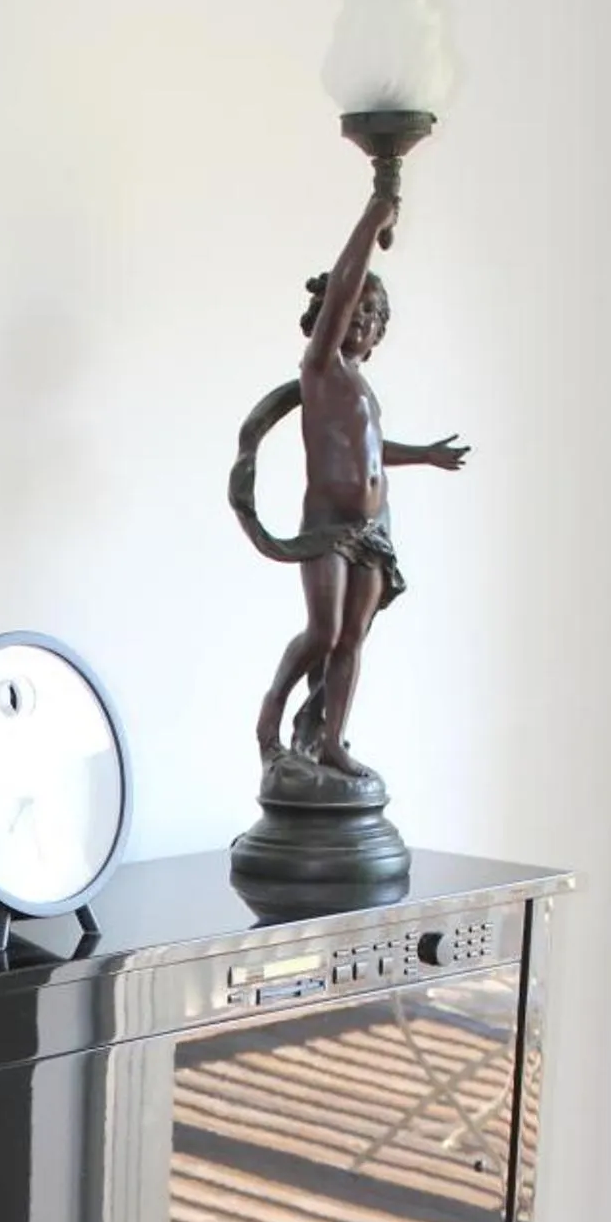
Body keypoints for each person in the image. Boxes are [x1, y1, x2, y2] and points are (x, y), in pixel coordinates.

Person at [252, 188, 467, 789]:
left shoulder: (363, 391)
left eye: (372, 319)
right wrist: (374, 218)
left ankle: (330, 742)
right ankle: (271, 716)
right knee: (322, 631)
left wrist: (422, 454)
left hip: (374, 531)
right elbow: (347, 281)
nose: (361, 323)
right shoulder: (321, 370)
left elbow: (370, 455)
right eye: (353, 312)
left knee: (352, 639)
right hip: (327, 527)